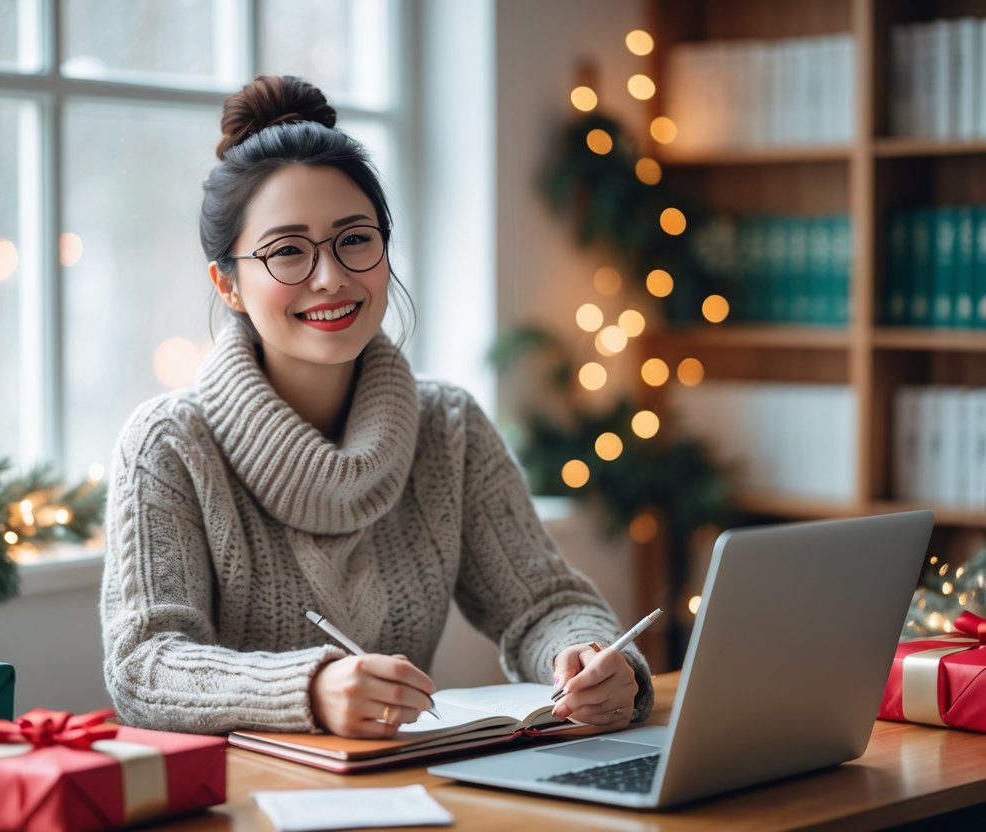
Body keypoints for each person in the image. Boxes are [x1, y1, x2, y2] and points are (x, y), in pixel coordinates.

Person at [100, 75, 654, 739]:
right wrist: (309, 690)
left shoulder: (448, 428)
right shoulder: (167, 445)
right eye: (286, 252)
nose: (330, 275)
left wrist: (590, 659)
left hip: (413, 786)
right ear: (228, 284)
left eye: (354, 239)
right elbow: (144, 665)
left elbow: (541, 605)